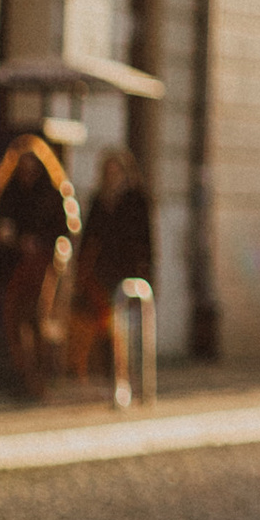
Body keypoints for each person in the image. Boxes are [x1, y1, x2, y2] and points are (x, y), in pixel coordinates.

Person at [0, 123, 79, 400]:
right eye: (23, 166)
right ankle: (23, 374)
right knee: (14, 319)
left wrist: (38, 241)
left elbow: (65, 228)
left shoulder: (51, 192)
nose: (27, 172)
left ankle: (40, 377)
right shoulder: (8, 190)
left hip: (41, 263)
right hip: (14, 264)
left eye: (32, 166)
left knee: (36, 317)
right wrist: (5, 234)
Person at [68, 147, 154, 382]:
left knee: (130, 325)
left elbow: (145, 240)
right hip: (102, 272)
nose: (113, 176)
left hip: (129, 271)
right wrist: (82, 270)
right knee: (106, 324)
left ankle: (131, 374)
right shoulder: (99, 200)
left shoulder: (136, 200)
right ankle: (111, 374)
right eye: (109, 172)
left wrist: (147, 271)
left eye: (117, 171)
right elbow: (90, 239)